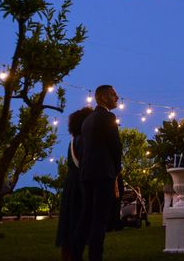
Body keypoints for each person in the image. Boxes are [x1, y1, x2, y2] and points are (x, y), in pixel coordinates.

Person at [72, 85, 123, 261]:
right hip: (103, 173)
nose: (117, 98)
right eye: (113, 95)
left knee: (85, 217)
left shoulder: (87, 120)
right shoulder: (108, 117)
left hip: (87, 173)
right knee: (100, 219)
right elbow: (116, 147)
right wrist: (116, 169)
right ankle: (96, 256)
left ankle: (76, 255)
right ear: (103, 98)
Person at [56, 107, 93, 261]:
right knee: (80, 219)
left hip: (71, 183)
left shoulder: (73, 140)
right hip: (81, 184)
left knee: (69, 220)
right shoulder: (84, 140)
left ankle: (68, 254)